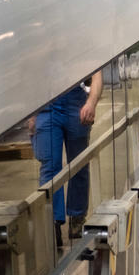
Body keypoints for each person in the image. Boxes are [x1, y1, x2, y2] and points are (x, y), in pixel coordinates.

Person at [29, 70, 104, 245]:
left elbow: (97, 75)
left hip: (75, 102)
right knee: (50, 166)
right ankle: (53, 221)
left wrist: (91, 103)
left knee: (79, 165)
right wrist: (31, 114)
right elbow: (30, 74)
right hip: (46, 106)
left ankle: (77, 216)